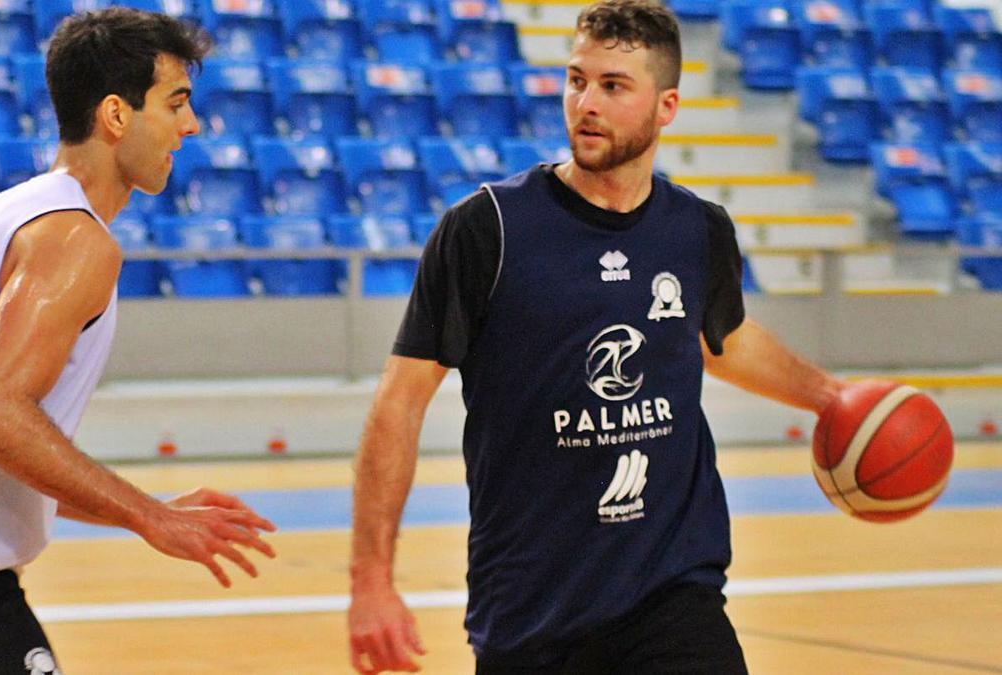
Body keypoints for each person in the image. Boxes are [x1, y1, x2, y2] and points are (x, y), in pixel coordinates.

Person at [347, 1, 846, 672]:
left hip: (673, 594)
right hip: (531, 612)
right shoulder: (485, 230)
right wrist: (371, 580)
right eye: (577, 79)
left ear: (666, 106)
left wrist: (833, 397)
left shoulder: (697, 230)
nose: (586, 102)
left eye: (613, 86)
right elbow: (399, 401)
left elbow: (720, 338)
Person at [0, 8, 276, 673]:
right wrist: (151, 516)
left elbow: (4, 444)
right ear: (116, 114)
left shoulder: (0, 216)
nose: (191, 124)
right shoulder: (74, 238)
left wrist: (139, 510)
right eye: (176, 103)